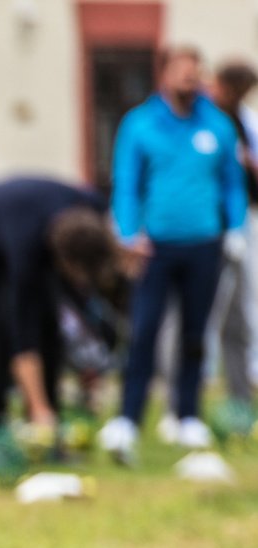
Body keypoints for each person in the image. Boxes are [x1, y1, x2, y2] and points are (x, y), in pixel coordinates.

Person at [98, 45, 247, 465]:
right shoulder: (140, 124)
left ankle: (188, 414)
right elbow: (125, 183)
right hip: (155, 245)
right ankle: (129, 416)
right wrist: (128, 232)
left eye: (194, 71)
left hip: (205, 242)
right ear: (163, 75)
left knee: (196, 334)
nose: (189, 78)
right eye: (181, 70)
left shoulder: (217, 125)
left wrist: (234, 228)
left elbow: (232, 184)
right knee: (144, 331)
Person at [0, 177, 116, 470]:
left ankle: (49, 428)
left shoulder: (92, 209)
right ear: (63, 259)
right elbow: (22, 336)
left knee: (49, 323)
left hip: (25, 221)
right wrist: (38, 406)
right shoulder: (26, 249)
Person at [207, 60, 258, 435]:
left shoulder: (248, 121)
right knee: (208, 306)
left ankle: (247, 377)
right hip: (210, 223)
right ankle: (203, 376)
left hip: (245, 221)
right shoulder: (208, 119)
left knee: (247, 301)